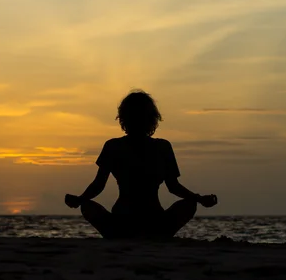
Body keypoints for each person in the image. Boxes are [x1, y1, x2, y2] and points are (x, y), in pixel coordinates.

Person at [65, 89, 218, 239]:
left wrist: (80, 199)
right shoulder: (157, 147)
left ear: (123, 118)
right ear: (153, 118)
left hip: (130, 220)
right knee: (86, 205)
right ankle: (153, 235)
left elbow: (98, 184)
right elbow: (173, 186)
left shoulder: (117, 146)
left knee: (86, 205)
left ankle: (125, 234)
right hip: (146, 220)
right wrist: (198, 199)